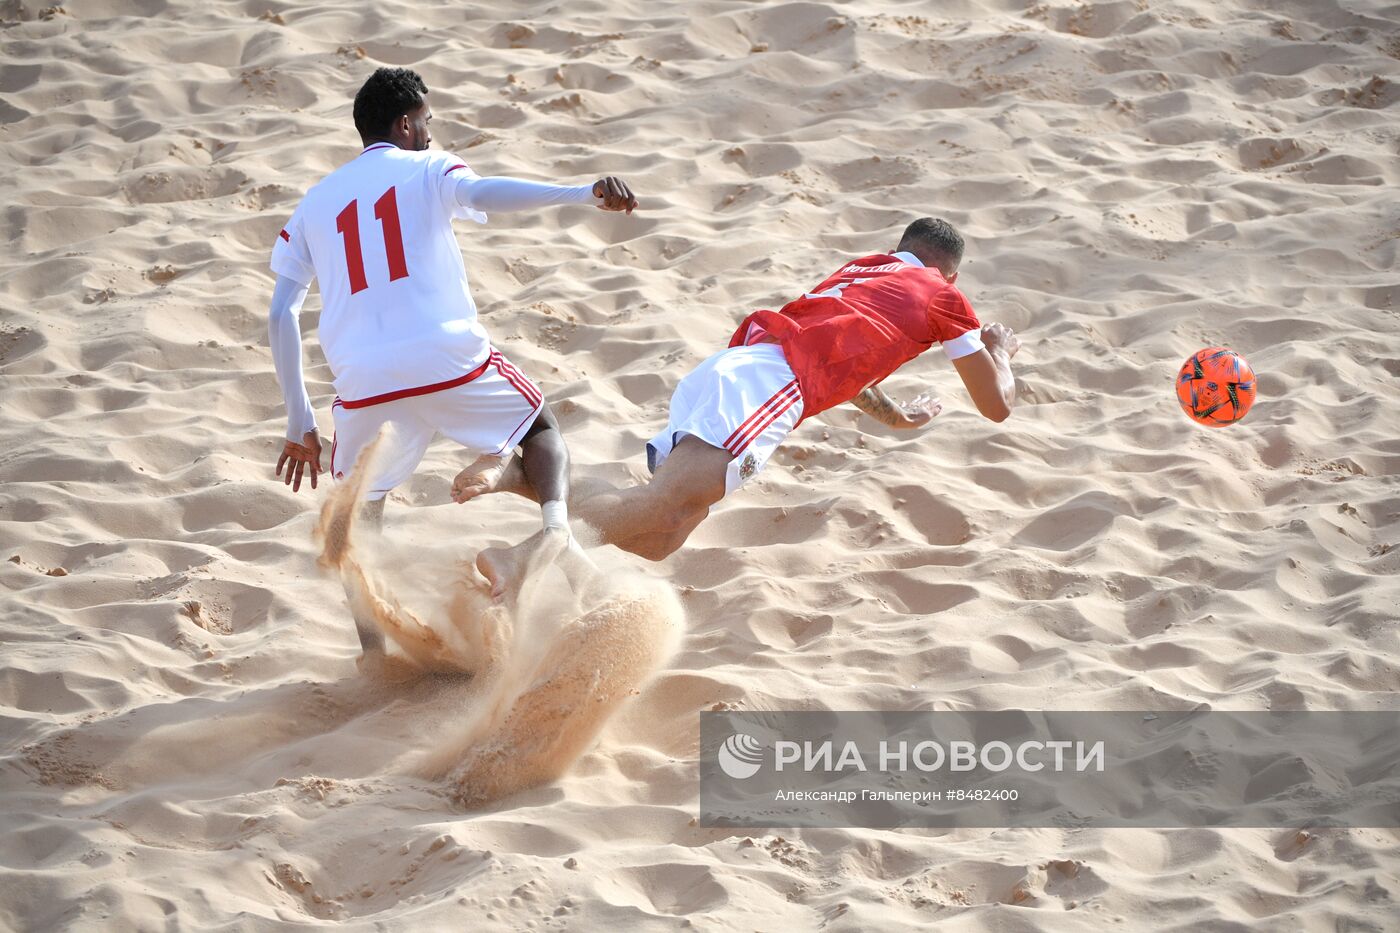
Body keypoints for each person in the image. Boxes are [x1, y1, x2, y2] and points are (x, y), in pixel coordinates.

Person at [267, 67, 636, 653]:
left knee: (358, 513)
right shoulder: (428, 168)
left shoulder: (314, 203)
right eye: (428, 123)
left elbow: (281, 312)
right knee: (540, 428)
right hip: (445, 355)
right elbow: (484, 192)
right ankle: (555, 534)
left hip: (361, 377)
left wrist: (298, 421)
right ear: (406, 123)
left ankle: (374, 656)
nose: (432, 135)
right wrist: (577, 193)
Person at [475, 217, 1020, 586]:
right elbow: (995, 406)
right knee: (660, 506)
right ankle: (517, 560)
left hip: (736, 373)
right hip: (765, 388)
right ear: (950, 272)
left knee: (664, 534)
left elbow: (837, 362)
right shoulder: (942, 294)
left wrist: (897, 418)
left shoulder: (864, 268)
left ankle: (525, 476)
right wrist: (1000, 353)